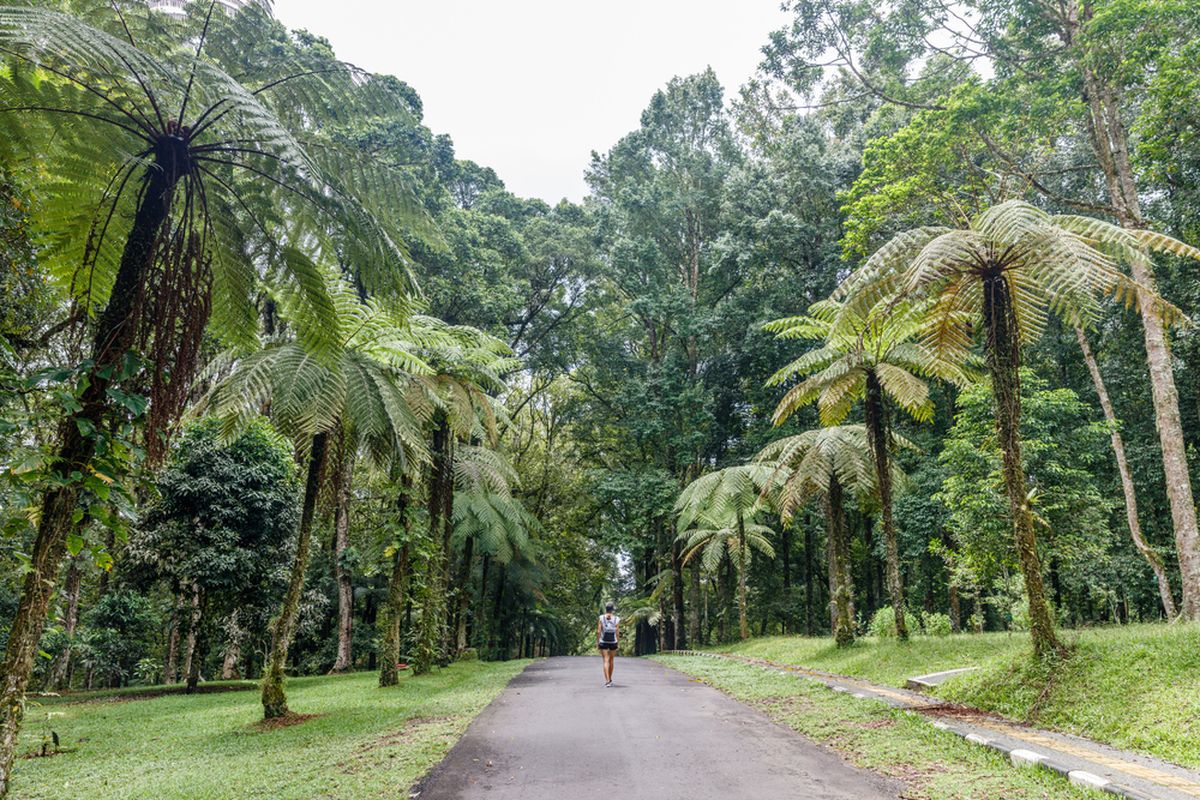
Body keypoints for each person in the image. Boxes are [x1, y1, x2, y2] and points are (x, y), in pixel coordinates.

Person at [596, 602, 619, 687]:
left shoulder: (601, 617)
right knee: (611, 660)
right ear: (612, 609)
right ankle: (610, 679)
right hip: (613, 642)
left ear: (605, 609)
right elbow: (617, 632)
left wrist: (598, 642)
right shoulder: (616, 618)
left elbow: (598, 631)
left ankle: (607, 681)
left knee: (606, 660)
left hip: (603, 641)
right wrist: (618, 643)